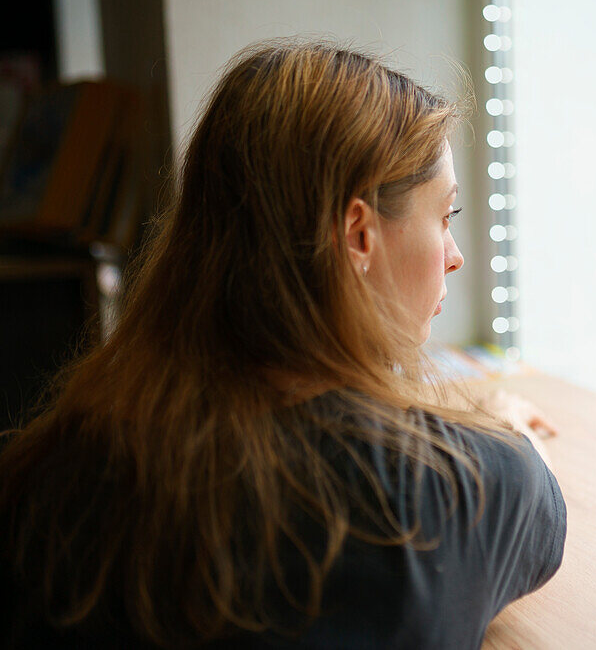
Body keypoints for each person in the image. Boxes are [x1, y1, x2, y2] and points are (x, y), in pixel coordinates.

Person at [0, 40, 566, 648]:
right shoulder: (445, 493)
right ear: (358, 236)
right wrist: (503, 431)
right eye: (446, 216)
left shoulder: (50, 474)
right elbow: (531, 502)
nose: (453, 258)